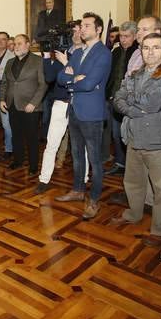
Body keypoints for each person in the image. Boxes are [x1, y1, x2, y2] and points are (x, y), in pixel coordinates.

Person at [111, 33, 161, 247]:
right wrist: (131, 106)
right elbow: (117, 98)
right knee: (133, 182)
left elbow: (150, 103)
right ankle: (133, 213)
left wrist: (129, 104)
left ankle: (160, 230)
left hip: (158, 142)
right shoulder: (135, 74)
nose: (150, 52)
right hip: (133, 137)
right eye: (146, 48)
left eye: (156, 48)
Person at [55, 12, 112, 220]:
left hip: (92, 114)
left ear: (98, 30)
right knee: (77, 156)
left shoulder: (104, 53)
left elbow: (89, 84)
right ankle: (78, 190)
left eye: (87, 26)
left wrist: (73, 79)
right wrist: (73, 78)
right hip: (75, 110)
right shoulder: (78, 53)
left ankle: (94, 199)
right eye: (82, 26)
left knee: (95, 160)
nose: (82, 29)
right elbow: (61, 78)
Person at [36, 28, 87, 193]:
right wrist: (45, 56)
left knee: (80, 146)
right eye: (74, 32)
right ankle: (44, 180)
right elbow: (50, 78)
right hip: (60, 104)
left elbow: (83, 79)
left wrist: (67, 63)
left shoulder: (86, 56)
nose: (76, 35)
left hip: (79, 103)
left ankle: (84, 179)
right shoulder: (60, 55)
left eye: (80, 31)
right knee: (51, 143)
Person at [0, 34, 47, 175]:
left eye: (20, 43)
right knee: (16, 135)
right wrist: (2, 99)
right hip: (12, 105)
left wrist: (33, 103)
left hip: (31, 107)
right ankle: (18, 161)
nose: (16, 46)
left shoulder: (38, 61)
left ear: (27, 45)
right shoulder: (9, 62)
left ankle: (33, 166)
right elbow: (4, 83)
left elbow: (43, 84)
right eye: (15, 44)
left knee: (32, 137)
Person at [103, 21, 137, 177]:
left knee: (128, 134)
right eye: (121, 36)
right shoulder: (115, 53)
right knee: (116, 134)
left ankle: (131, 166)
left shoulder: (138, 53)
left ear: (135, 36)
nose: (123, 39)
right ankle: (119, 163)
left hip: (129, 102)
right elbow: (109, 75)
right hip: (113, 99)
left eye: (126, 36)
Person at [0, 31, 14, 160]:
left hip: (3, 93)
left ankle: (9, 148)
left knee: (6, 124)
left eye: (3, 39)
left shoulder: (11, 57)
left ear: (7, 41)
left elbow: (5, 76)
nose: (0, 41)